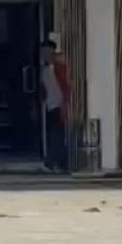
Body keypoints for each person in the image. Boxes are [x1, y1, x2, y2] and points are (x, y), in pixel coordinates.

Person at [39, 40, 70, 173]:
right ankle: (54, 162)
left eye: (46, 51)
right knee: (54, 134)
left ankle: (55, 162)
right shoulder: (45, 68)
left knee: (57, 135)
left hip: (59, 105)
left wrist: (65, 105)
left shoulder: (59, 67)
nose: (43, 54)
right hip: (51, 105)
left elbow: (66, 86)